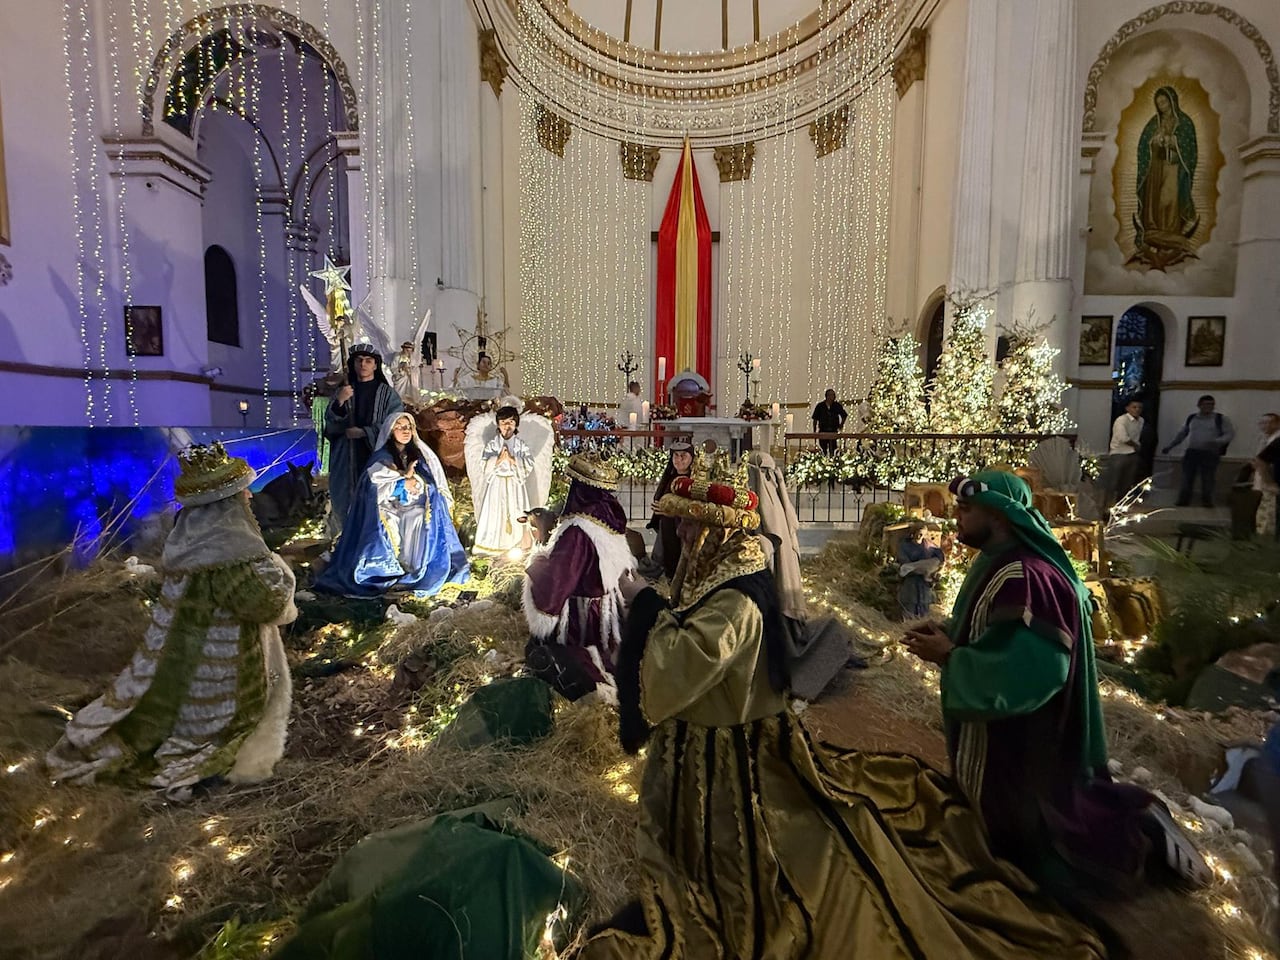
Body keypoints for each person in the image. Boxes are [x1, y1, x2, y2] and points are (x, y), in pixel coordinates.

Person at [586, 473, 1113, 959]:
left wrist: (647, 607)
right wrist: (955, 638)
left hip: (1022, 746)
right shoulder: (716, 570)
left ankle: (1043, 866)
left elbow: (689, 658)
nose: (679, 533)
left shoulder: (736, 595)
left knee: (1011, 835)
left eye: (688, 523)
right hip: (715, 746)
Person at [904, 471, 1208, 897]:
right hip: (997, 742)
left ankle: (1143, 824)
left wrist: (950, 657)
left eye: (966, 509)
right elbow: (989, 630)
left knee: (1051, 854)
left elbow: (1034, 671)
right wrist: (948, 634)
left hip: (1024, 748)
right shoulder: (996, 560)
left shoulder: (1027, 576)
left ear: (999, 514)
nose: (956, 516)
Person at [47, 443, 297, 793]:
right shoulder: (230, 553)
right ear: (225, 503)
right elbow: (269, 606)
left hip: (181, 663)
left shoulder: (189, 542)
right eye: (242, 492)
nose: (249, 497)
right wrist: (282, 571)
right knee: (213, 732)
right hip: (222, 677)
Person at [316, 412, 468, 598]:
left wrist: (416, 483)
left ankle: (414, 568)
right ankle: (390, 570)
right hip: (387, 507)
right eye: (400, 427)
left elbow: (431, 484)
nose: (405, 431)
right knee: (391, 522)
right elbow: (373, 488)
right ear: (390, 431)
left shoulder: (418, 455)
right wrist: (402, 483)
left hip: (412, 505)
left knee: (419, 519)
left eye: (408, 427)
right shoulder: (381, 457)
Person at [522, 455, 634, 701]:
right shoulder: (608, 522)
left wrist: (536, 562)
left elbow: (558, 581)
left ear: (579, 490)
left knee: (544, 655)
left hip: (584, 621)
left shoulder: (577, 531)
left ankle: (599, 689)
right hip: (609, 614)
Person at [324, 344, 403, 539]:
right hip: (347, 455)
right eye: (359, 360)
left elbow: (395, 423)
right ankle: (346, 539)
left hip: (374, 453)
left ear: (375, 365)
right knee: (346, 498)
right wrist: (340, 402)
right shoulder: (345, 390)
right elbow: (330, 423)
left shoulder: (387, 394)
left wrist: (364, 432)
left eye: (368, 361)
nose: (363, 364)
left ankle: (375, 540)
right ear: (353, 364)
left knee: (374, 497)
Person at [473, 405, 534, 556]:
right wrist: (498, 459)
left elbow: (529, 464)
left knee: (517, 511)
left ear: (516, 424)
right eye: (504, 422)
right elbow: (484, 464)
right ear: (498, 425)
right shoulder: (493, 445)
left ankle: (518, 545)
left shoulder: (520, 445)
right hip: (497, 485)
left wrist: (513, 459)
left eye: (511, 422)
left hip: (515, 484)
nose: (507, 426)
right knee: (495, 514)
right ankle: (493, 547)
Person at [1162, 395, 1234, 507]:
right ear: (1199, 405)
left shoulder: (1220, 419)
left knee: (1208, 478)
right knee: (1187, 477)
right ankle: (1183, 500)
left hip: (1210, 453)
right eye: (1206, 404)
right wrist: (1170, 446)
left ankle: (1207, 501)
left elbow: (1229, 434)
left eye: (1211, 404)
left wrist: (1216, 441)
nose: (1209, 407)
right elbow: (1182, 434)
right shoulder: (1192, 418)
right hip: (1192, 452)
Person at [644, 440, 694, 579]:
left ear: (691, 458)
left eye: (683, 455)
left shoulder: (694, 480)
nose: (679, 459)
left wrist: (674, 510)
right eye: (675, 455)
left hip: (684, 528)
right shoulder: (670, 477)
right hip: (667, 525)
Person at [897, 521, 944, 620]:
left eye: (922, 534)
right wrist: (915, 568)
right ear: (913, 533)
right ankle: (909, 616)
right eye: (918, 534)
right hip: (911, 577)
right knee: (911, 598)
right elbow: (903, 560)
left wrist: (935, 567)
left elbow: (940, 556)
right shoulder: (905, 545)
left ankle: (922, 616)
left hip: (924, 578)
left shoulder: (928, 545)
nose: (920, 536)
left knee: (924, 599)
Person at [1108, 399, 1145, 505]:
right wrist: (1136, 446)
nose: (1137, 410)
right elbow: (1123, 438)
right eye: (1134, 407)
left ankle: (1120, 505)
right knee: (1114, 483)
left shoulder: (1141, 421)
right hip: (1119, 453)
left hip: (1132, 454)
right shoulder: (1121, 420)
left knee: (1127, 483)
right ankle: (1107, 506)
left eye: (1139, 407)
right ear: (1127, 408)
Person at [1249, 412, 1280, 539]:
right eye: (1262, 423)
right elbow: (1261, 459)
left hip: (1270, 480)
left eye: (1268, 423)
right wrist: (1268, 482)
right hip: (1271, 481)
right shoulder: (1268, 439)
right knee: (1267, 511)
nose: (1264, 426)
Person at [811, 388, 847, 455]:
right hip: (823, 431)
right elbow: (815, 418)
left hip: (833, 430)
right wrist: (814, 431)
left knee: (833, 448)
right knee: (823, 449)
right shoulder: (820, 406)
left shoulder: (837, 405)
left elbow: (844, 415)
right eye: (831, 395)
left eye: (833, 395)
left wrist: (841, 424)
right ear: (827, 396)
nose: (832, 397)